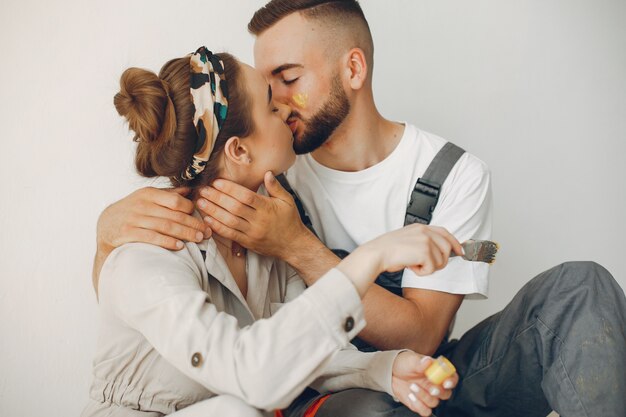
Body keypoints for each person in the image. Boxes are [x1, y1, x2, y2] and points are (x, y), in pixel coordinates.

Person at [95, 1, 626, 416]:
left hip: (414, 370)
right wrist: (105, 232)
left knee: (581, 287)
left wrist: (298, 248)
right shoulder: (270, 185)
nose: (279, 102)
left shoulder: (454, 176)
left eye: (290, 78)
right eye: (269, 88)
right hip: (333, 404)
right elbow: (156, 286)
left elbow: (422, 336)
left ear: (353, 68)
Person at [83, 46, 463, 417]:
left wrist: (384, 370)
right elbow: (251, 374)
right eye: (269, 103)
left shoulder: (266, 231)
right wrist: (373, 256)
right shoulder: (148, 255)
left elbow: (294, 350)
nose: (285, 106)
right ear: (239, 152)